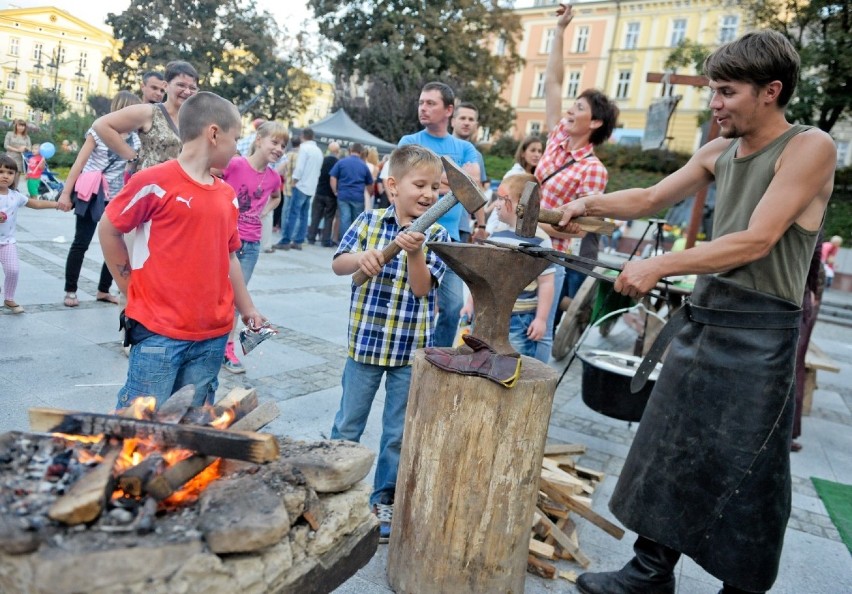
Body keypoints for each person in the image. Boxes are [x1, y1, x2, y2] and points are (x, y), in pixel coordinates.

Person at [555, 29, 835, 594]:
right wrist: (580, 205)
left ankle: (741, 585)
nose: (715, 104)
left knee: (747, 470)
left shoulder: (810, 147)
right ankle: (649, 573)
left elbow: (757, 240)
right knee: (669, 447)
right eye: (713, 90)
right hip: (705, 318)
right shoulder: (717, 151)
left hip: (761, 335)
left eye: (727, 92)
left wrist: (659, 266)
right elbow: (649, 198)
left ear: (770, 90)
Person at [99, 92, 266, 409]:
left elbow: (229, 257)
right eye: (236, 139)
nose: (237, 148)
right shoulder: (153, 180)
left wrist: (248, 310)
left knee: (190, 426)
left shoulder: (227, 195)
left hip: (212, 337)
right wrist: (129, 286)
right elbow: (109, 228)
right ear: (214, 134)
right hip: (158, 336)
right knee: (139, 427)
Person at [330, 144, 448, 543]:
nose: (430, 194)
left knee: (397, 431)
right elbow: (338, 263)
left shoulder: (439, 233)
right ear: (393, 186)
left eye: (435, 186)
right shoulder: (368, 221)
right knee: (349, 421)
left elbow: (421, 289)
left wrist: (415, 253)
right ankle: (334, 484)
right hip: (364, 345)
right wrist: (362, 258)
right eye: (420, 184)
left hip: (408, 351)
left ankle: (384, 497)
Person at [540, 5, 619, 363]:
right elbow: (554, 81)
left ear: (596, 123)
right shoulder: (557, 138)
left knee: (537, 328)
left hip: (550, 253)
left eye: (580, 107)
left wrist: (548, 220)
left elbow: (585, 225)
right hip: (521, 236)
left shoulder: (593, 169)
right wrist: (560, 31)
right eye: (572, 104)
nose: (570, 109)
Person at [398, 81, 481, 347]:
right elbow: (400, 180)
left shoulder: (466, 148)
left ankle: (439, 354)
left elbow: (473, 185)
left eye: (430, 103)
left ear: (448, 110)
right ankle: (409, 351)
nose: (423, 108)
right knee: (412, 299)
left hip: (449, 239)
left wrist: (426, 178)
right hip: (411, 233)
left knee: (454, 305)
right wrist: (450, 179)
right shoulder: (409, 141)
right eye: (421, 102)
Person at [57, 91, 143, 308]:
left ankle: (103, 290)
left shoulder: (137, 139)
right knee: (81, 242)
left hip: (117, 196)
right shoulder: (98, 132)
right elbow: (79, 162)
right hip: (92, 194)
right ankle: (71, 290)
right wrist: (66, 194)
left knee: (117, 243)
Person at [463, 174, 555, 361]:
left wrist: (541, 319)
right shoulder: (495, 235)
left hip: (519, 320)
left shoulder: (541, 239)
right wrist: (470, 304)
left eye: (502, 199)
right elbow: (481, 276)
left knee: (510, 366)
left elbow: (546, 283)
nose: (496, 204)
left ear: (521, 205)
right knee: (481, 361)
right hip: (486, 315)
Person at [218, 121, 285, 373]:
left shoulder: (273, 177)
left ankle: (228, 349)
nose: (279, 149)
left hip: (251, 242)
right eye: (274, 142)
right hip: (225, 239)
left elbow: (277, 197)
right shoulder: (235, 164)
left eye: (283, 146)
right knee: (214, 291)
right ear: (259, 140)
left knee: (236, 297)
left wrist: (265, 211)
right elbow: (212, 176)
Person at [93, 60, 199, 171]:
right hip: (150, 185)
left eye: (192, 88)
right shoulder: (150, 112)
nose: (187, 92)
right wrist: (132, 157)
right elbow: (101, 125)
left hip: (180, 186)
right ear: (166, 86)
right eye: (181, 85)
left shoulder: (196, 121)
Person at [0, 154, 60, 314]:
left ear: (15, 176)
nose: (5, 176)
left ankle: (9, 298)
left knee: (13, 270)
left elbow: (37, 203)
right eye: (1, 172)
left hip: (7, 242)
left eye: (10, 173)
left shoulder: (15, 196)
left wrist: (57, 204)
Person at [275, 128, 323, 251]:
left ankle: (285, 240)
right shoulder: (318, 151)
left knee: (292, 213)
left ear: (302, 136)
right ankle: (299, 241)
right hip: (311, 187)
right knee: (304, 215)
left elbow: (300, 168)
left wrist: (294, 181)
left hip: (301, 185)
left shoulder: (304, 148)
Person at [451, 102, 489, 243]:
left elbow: (477, 191)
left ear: (476, 125)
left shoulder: (477, 156)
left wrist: (481, 226)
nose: (467, 123)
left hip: (462, 228)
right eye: (462, 118)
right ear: (452, 121)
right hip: (435, 222)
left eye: (471, 119)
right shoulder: (439, 147)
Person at [330, 142, 373, 238]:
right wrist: (369, 195)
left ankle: (344, 242)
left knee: (344, 218)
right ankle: (353, 242)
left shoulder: (341, 162)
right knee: (356, 220)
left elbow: (333, 177)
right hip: (358, 196)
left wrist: (335, 191)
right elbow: (370, 184)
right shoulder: (364, 166)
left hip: (343, 195)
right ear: (361, 152)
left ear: (350, 150)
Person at [307, 141, 340, 247]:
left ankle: (311, 237)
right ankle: (325, 240)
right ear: (337, 151)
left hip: (320, 191)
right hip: (331, 194)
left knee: (316, 215)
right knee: (329, 218)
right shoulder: (338, 163)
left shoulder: (323, 160)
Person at [273, 136, 300, 235]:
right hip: (295, 186)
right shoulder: (299, 156)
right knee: (293, 211)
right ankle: (288, 232)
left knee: (284, 210)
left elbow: (282, 172)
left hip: (286, 185)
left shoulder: (287, 155)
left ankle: (283, 229)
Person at [4, 119, 31, 192]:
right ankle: (4, 191)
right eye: (19, 125)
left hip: (20, 159)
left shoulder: (26, 137)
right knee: (7, 174)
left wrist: (25, 148)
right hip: (10, 157)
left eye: (23, 126)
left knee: (16, 176)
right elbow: (6, 145)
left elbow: (30, 148)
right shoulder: (10, 134)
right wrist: (17, 150)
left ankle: (13, 191)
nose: (21, 127)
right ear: (16, 126)